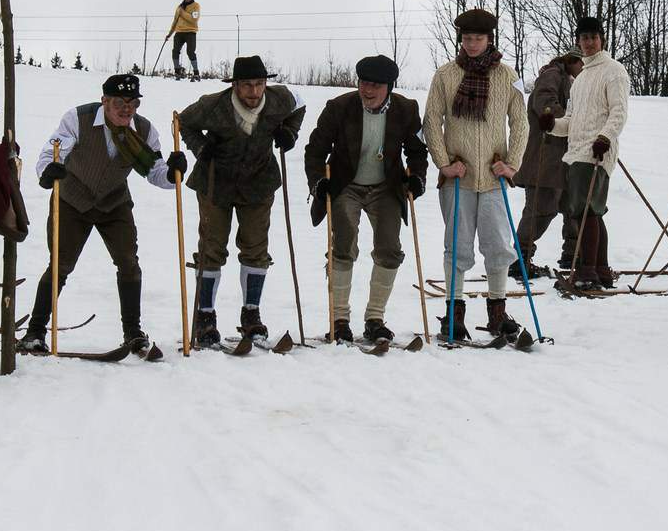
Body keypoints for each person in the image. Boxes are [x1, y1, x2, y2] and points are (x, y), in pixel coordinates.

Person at [22, 74, 184, 358]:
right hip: (73, 199)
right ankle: (35, 332)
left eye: (133, 103)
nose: (127, 109)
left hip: (114, 202)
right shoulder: (78, 119)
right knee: (60, 264)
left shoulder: (143, 130)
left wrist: (172, 173)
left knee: (128, 262)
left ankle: (133, 332)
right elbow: (51, 153)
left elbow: (155, 171)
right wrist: (49, 172)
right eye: (120, 102)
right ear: (104, 101)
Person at [178, 55, 305, 347]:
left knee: (255, 247)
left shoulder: (279, 99)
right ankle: (205, 317)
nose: (254, 92)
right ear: (234, 85)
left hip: (259, 183)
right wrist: (200, 146)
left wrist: (289, 132)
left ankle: (252, 314)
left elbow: (300, 104)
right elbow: (183, 121)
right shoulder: (212, 105)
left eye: (259, 84)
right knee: (211, 247)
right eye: (247, 85)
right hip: (216, 183)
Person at [303, 54, 428, 343]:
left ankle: (375, 318)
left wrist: (417, 178)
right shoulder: (339, 107)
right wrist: (318, 181)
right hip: (347, 184)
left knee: (389, 248)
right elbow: (315, 150)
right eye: (363, 83)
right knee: (344, 245)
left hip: (385, 187)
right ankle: (340, 319)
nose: (367, 90)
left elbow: (418, 151)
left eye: (375, 85)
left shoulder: (406, 109)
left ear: (390, 87)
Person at [423, 8, 528, 340]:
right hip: (459, 179)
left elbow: (521, 124)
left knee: (498, 246)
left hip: (494, 178)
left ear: (489, 39)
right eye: (466, 38)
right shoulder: (445, 75)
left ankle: (498, 313)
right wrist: (443, 164)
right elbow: (431, 122)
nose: (471, 44)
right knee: (458, 247)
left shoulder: (507, 77)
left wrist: (512, 164)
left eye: (477, 38)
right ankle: (453, 316)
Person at [554, 16, 631, 292]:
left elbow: (619, 111)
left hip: (597, 152)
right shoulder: (580, 78)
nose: (588, 43)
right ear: (578, 41)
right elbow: (571, 120)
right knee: (590, 212)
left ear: (602, 39)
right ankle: (599, 270)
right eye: (584, 38)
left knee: (587, 211)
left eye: (593, 37)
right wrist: (552, 125)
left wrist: (605, 138)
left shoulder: (614, 70)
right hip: (577, 152)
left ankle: (586, 271)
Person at [509, 52, 582, 281]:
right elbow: (545, 104)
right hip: (545, 156)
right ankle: (519, 260)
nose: (584, 67)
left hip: (565, 158)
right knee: (541, 209)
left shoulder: (572, 80)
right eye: (581, 63)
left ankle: (572, 256)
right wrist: (578, 122)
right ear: (571, 61)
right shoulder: (553, 75)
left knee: (572, 208)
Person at [166, 0, 201, 80]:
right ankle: (177, 72)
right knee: (175, 51)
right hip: (179, 32)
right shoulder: (179, 7)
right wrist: (169, 34)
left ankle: (196, 72)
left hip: (191, 32)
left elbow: (194, 19)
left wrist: (183, 13)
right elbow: (175, 21)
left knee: (190, 52)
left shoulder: (196, 6)